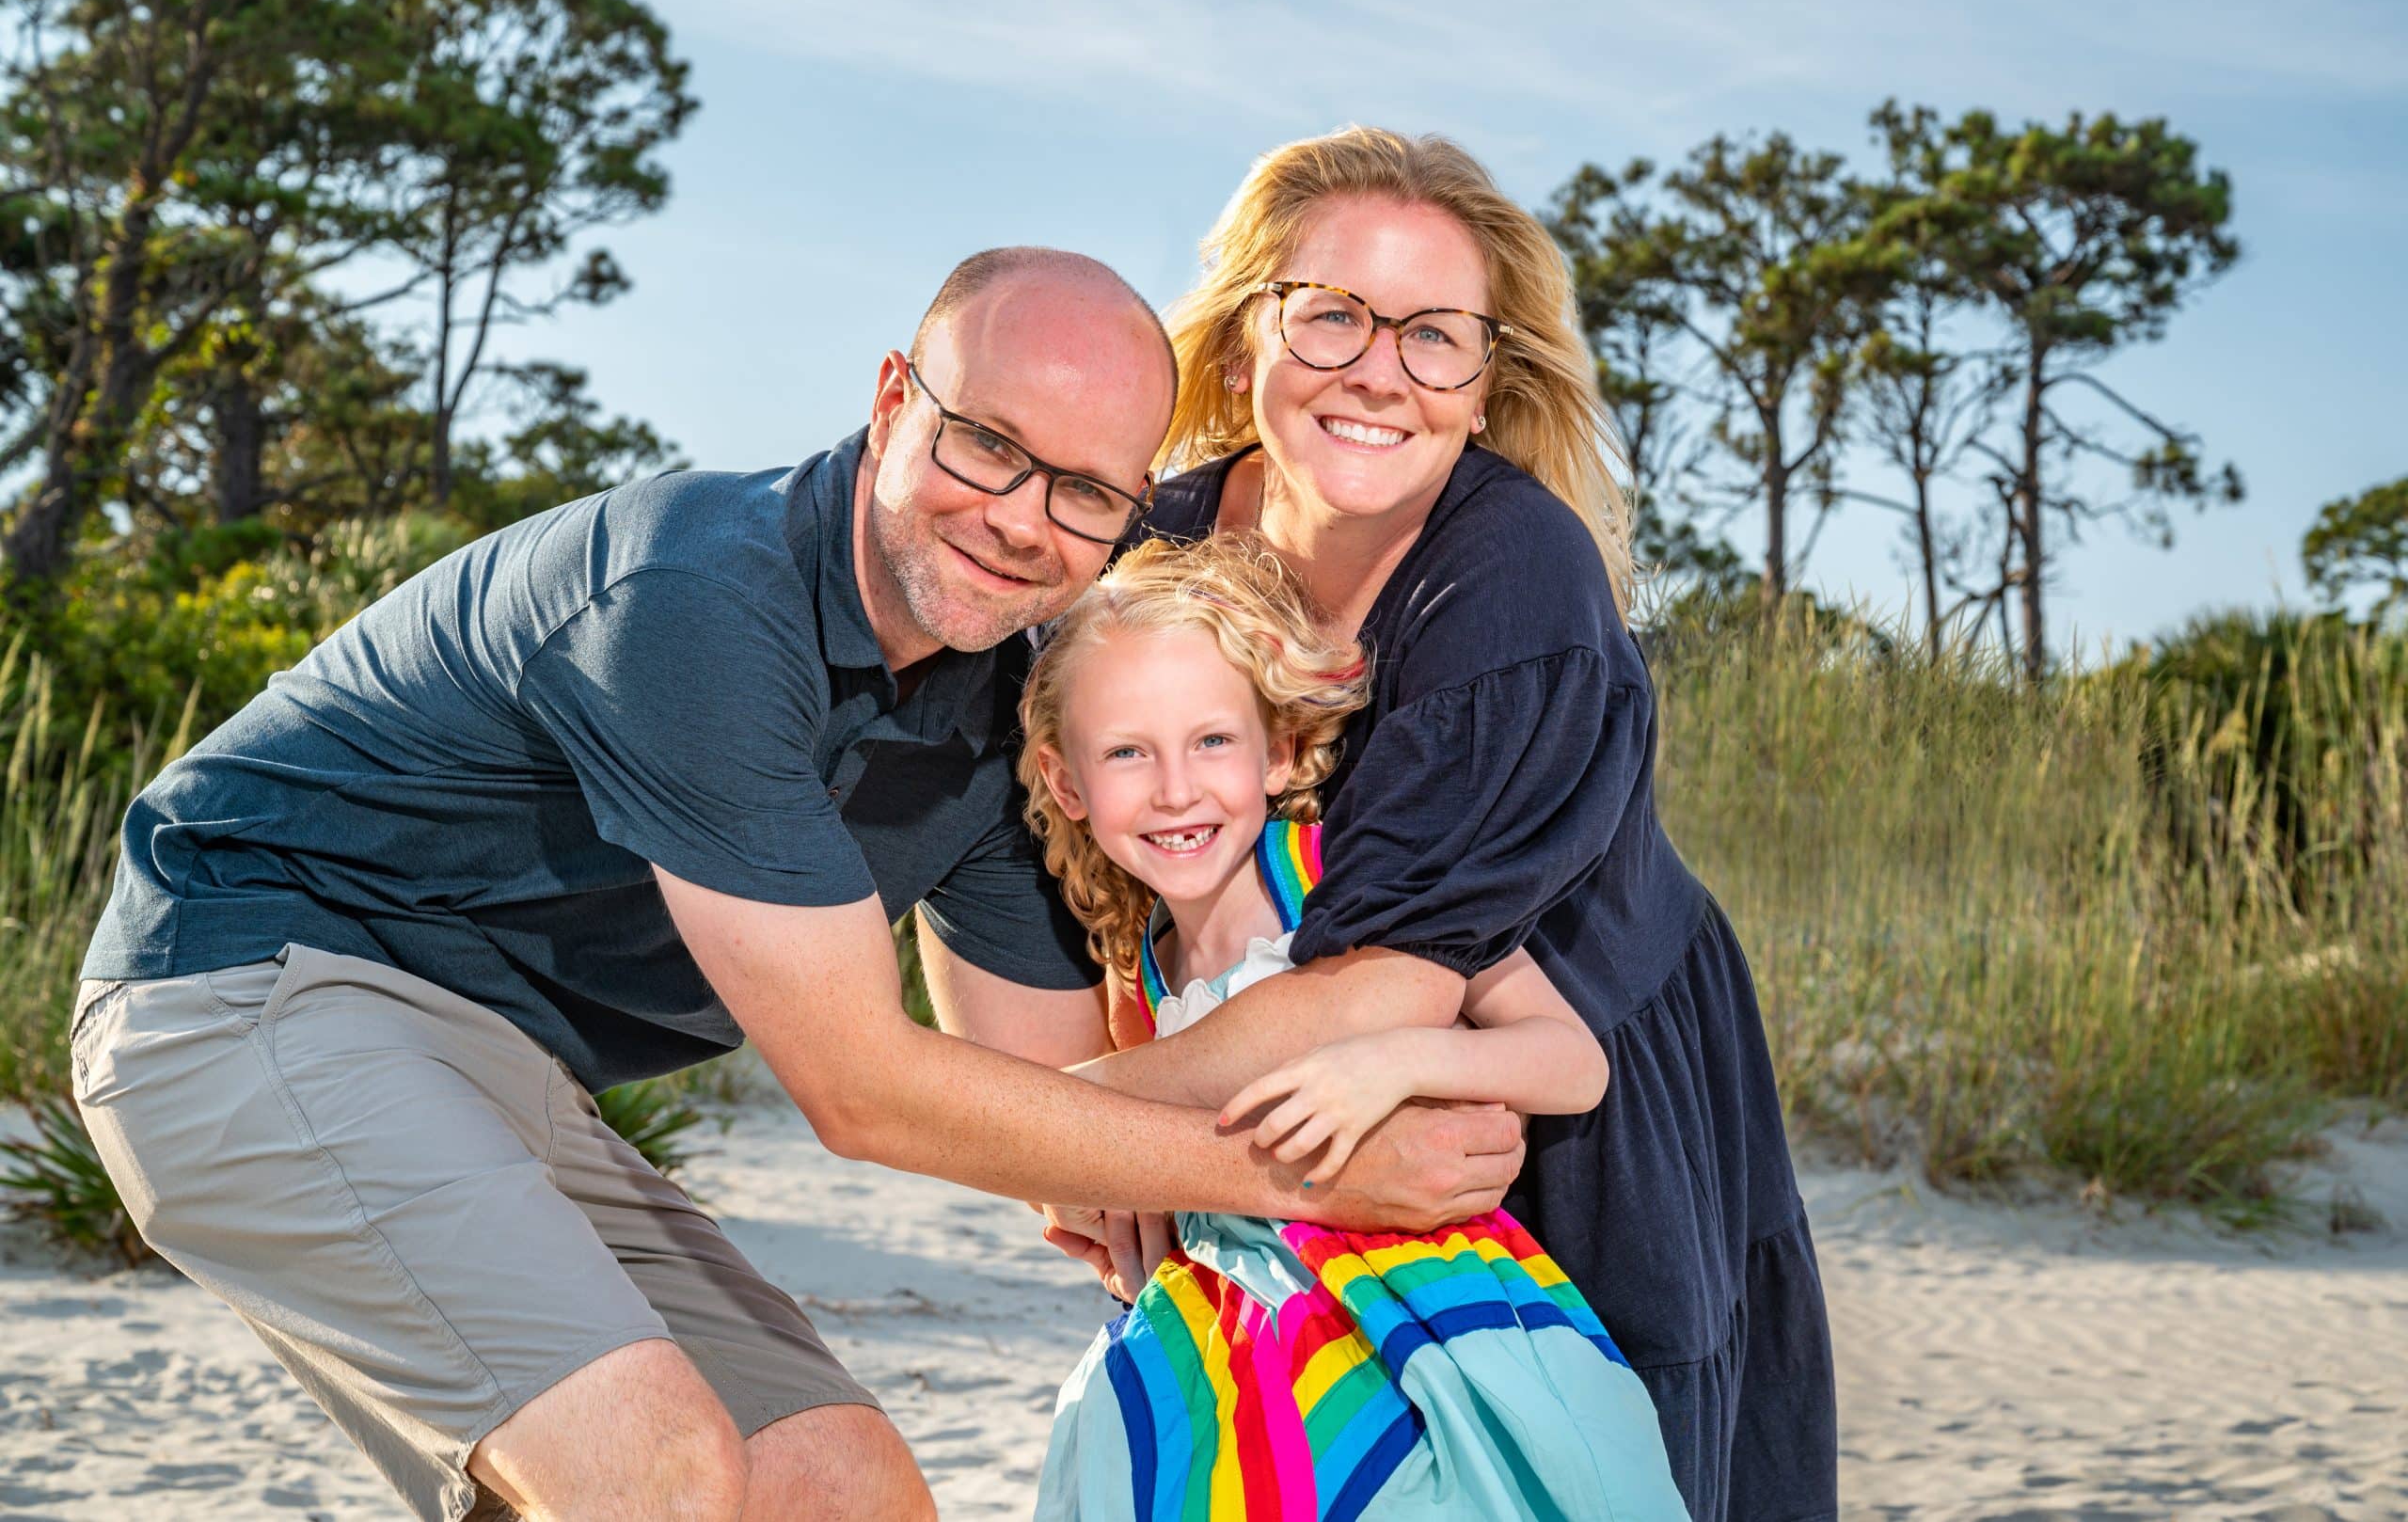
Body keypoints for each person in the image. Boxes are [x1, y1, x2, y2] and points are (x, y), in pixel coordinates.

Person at [67, 246, 1527, 1522]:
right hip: (246, 993)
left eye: (1085, 492)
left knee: (843, 1486)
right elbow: (866, 1091)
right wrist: (1305, 1168)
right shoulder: (697, 602)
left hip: (504, 1076)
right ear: (895, 400)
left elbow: (1067, 1100)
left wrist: (1244, 1221)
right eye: (987, 446)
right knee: (657, 1474)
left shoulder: (1006, 722)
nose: (1023, 519)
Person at [1064, 131, 1840, 1520]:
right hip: (1262, 1098)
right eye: (1335, 313)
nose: (1380, 370)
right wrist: (1090, 1120)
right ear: (1249, 339)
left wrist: (1058, 1129)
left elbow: (1393, 985)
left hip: (1561, 1063)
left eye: (1436, 336)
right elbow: (1016, 846)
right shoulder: (1146, 559)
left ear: (1486, 388)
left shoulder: (1514, 575)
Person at [1018, 534, 1689, 1520]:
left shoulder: (1348, 880)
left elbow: (1572, 1060)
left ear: (1278, 748)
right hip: (1219, 1333)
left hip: (1409, 1303)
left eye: (1212, 740)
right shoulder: (1140, 960)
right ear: (1067, 782)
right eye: (1127, 751)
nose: (1174, 788)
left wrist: (1395, 1058)